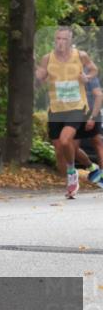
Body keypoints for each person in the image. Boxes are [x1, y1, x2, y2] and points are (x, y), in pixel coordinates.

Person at [35, 26, 99, 198]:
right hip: (56, 109)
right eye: (58, 38)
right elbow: (39, 79)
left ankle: (72, 173)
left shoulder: (80, 55)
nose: (60, 42)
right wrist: (36, 74)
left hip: (77, 107)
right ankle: (90, 167)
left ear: (70, 41)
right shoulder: (47, 58)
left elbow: (94, 69)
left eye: (64, 39)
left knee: (65, 140)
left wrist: (87, 77)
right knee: (61, 148)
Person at [73, 61, 103, 188]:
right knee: (72, 148)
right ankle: (92, 168)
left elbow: (99, 95)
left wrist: (92, 117)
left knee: (98, 142)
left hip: (91, 111)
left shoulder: (88, 74)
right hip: (74, 114)